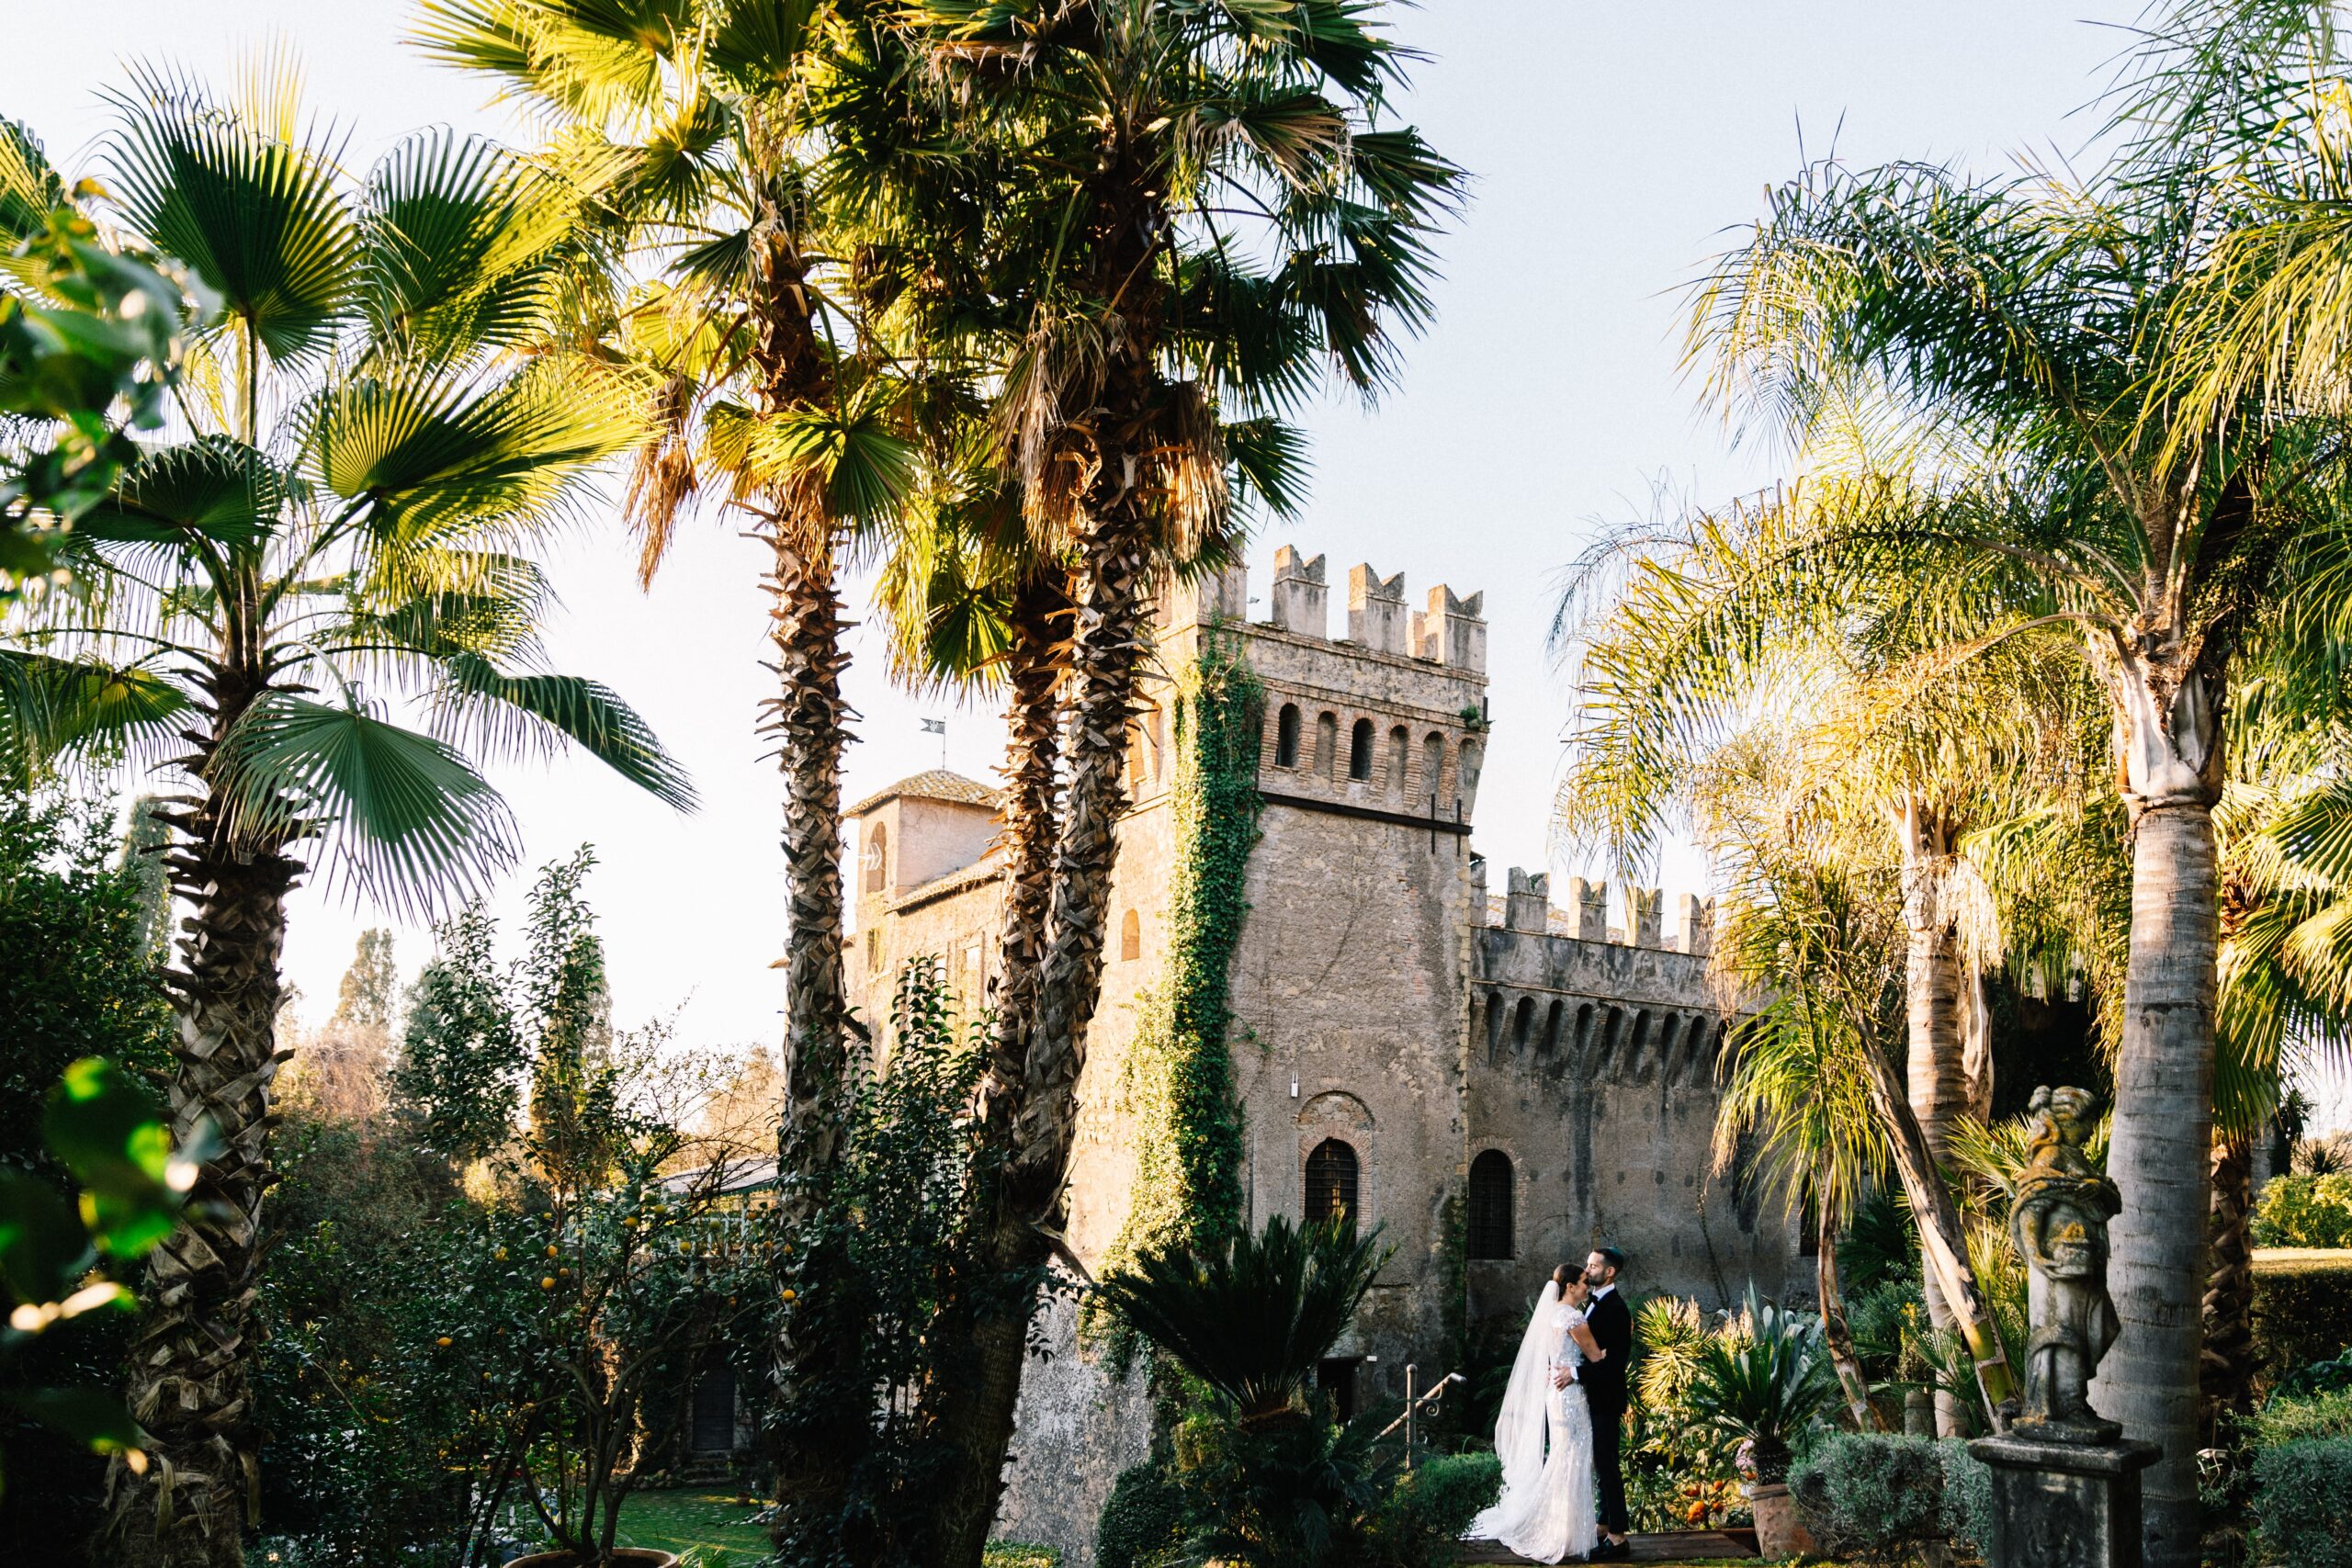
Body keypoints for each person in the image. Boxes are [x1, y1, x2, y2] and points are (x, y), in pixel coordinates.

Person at [1465, 1264, 1604, 1563]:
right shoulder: (1573, 1316)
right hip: (1570, 1396)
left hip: (1554, 1394)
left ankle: (1564, 1532)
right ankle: (1563, 1534)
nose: (1586, 1288)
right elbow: (1595, 1355)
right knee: (1573, 1457)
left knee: (1562, 1455)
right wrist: (1615, 1349)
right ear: (1569, 1286)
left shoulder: (1552, 1315)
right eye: (1582, 1283)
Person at [1575, 1247, 1633, 1561]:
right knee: (1602, 1464)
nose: (1588, 1270)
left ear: (1609, 1272)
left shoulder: (1616, 1309)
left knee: (1608, 1466)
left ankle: (1619, 1537)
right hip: (1593, 1398)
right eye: (1587, 1264)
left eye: (1594, 1265)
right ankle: (1603, 1526)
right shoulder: (1594, 1304)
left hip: (1607, 1400)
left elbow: (1613, 1365)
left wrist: (1574, 1373)